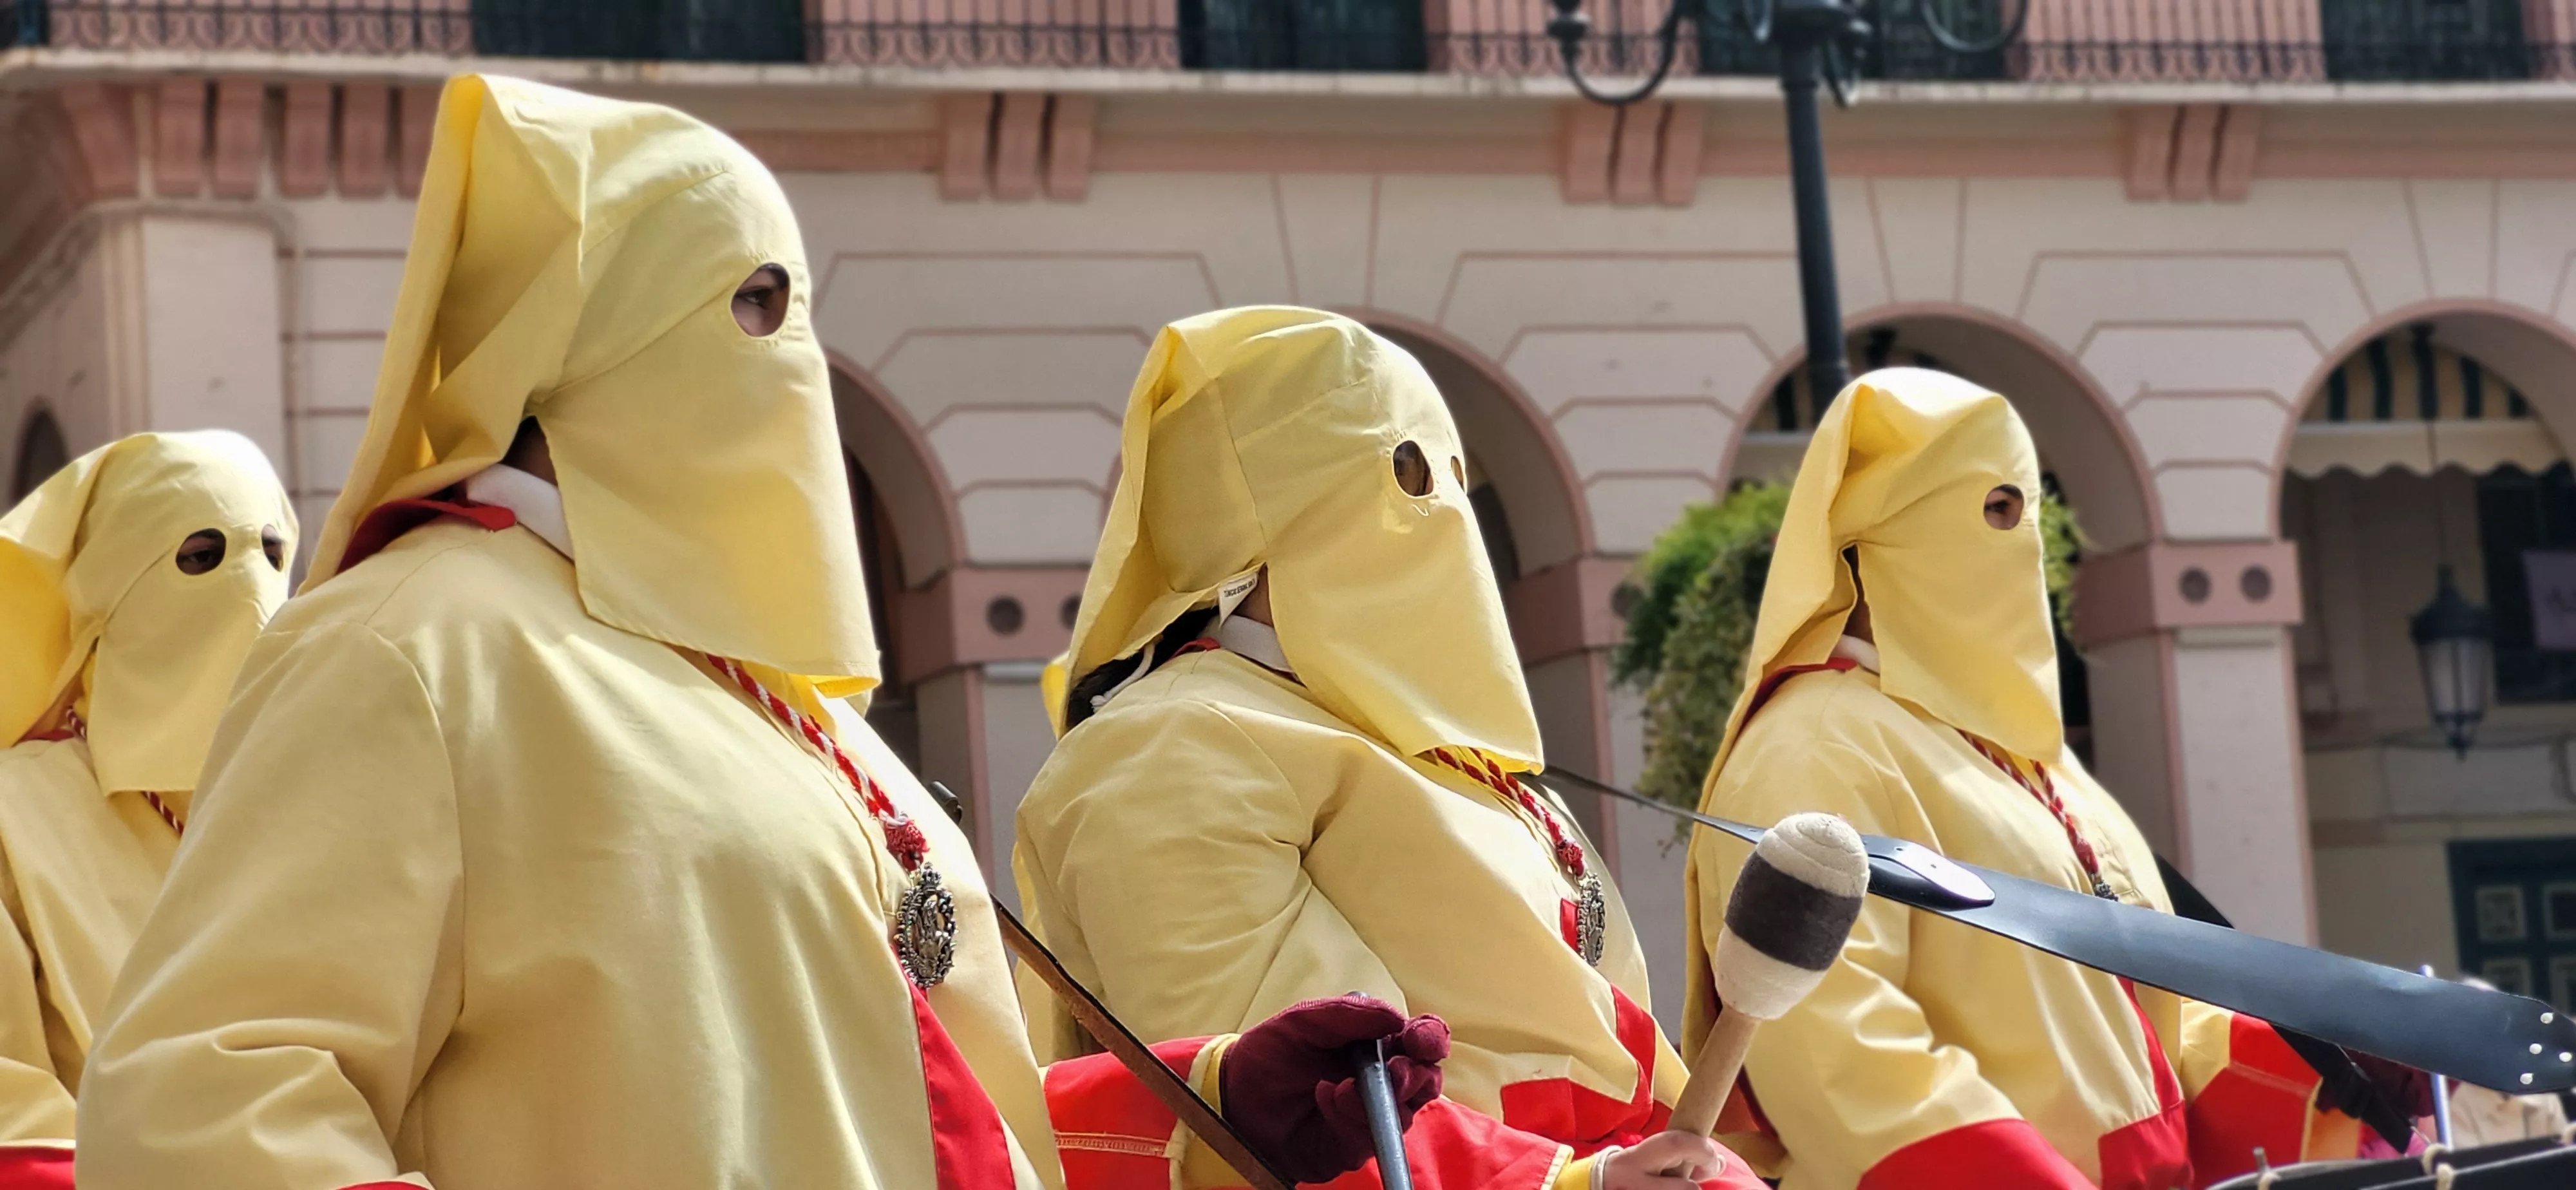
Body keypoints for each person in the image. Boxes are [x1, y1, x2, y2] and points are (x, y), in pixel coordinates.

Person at [75, 77, 1437, 1190]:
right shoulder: (405, 650)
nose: (787, 355)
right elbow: (207, 1111)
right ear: (588, 332)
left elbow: (883, 1104)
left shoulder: (786, 706)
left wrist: (1212, 1100)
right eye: (748, 302)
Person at [1013, 305, 1761, 1190]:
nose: (1442, 510)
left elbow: (1616, 1059)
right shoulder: (1166, 748)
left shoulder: (1452, 757)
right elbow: (1300, 1118)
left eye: (1452, 475)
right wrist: (1575, 1185)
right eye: (1405, 472)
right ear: (1271, 512)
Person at [1685, 368, 2428, 1190]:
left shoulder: (2032, 760)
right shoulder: (1814, 746)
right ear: (1875, 539)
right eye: (1994, 509)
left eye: (2025, 508)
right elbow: (1834, 1052)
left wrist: (2336, 1067)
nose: (2024, 541)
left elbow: (2135, 1021)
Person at [0, 431, 294, 1189]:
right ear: (112, 587)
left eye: (272, 553)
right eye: (200, 556)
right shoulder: (13, 816)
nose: (250, 591)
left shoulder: (323, 796)